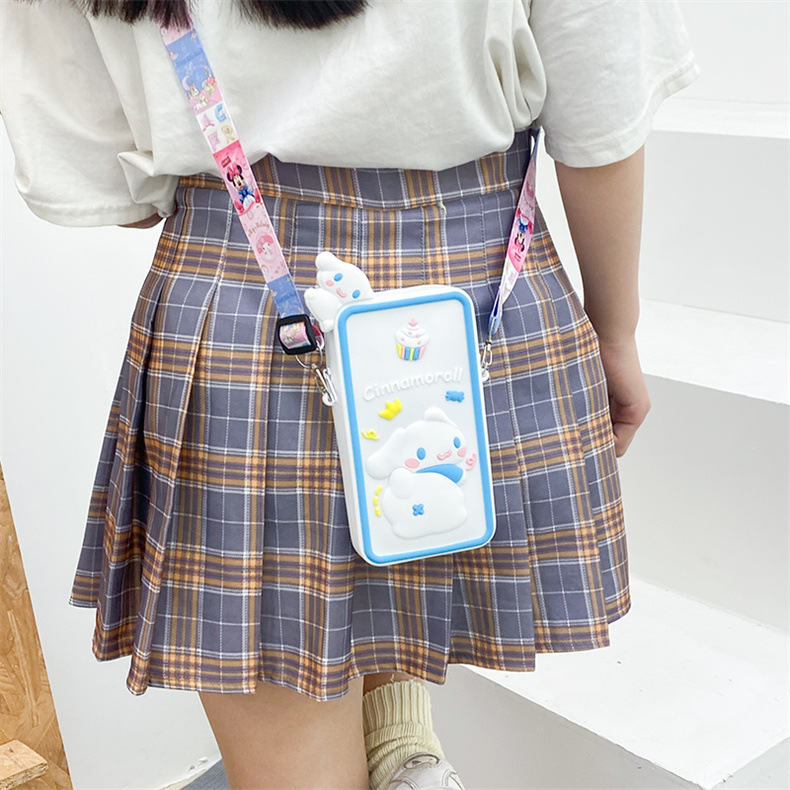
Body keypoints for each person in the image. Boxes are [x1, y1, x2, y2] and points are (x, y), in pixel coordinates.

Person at [0, 0, 700, 788]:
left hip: (240, 302)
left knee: (290, 753)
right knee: (415, 519)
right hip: (475, 291)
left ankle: (399, 742)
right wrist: (615, 330)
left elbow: (105, 182)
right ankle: (404, 747)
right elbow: (601, 111)